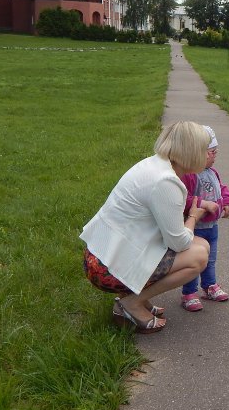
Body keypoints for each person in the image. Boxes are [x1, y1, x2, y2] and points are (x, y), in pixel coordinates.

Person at [80, 121, 212, 334]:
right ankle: (131, 303)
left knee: (201, 245)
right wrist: (193, 217)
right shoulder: (166, 182)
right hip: (106, 269)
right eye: (204, 149)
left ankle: (134, 297)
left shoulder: (154, 164)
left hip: (103, 254)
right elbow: (178, 243)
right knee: (199, 256)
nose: (208, 154)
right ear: (191, 151)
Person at [179, 125, 229, 311]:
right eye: (212, 152)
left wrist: (227, 202)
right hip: (195, 227)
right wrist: (204, 204)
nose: (215, 155)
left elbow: (222, 187)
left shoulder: (212, 172)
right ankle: (189, 292)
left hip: (212, 226)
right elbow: (183, 198)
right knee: (194, 261)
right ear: (197, 154)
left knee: (211, 259)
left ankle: (210, 285)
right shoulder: (189, 175)